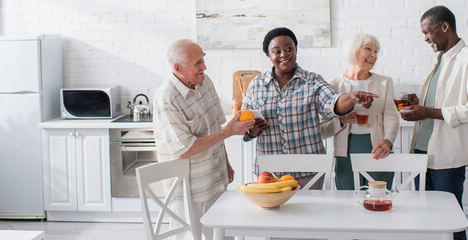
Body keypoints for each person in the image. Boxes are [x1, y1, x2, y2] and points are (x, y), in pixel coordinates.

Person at [241, 27, 378, 189]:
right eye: (276, 51)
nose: (284, 54)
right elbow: (244, 125)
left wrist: (350, 97)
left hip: (309, 171)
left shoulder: (312, 81)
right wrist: (254, 130)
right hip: (270, 173)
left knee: (312, 214)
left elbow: (333, 102)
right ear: (268, 55)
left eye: (288, 49)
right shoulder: (257, 84)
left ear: (296, 50)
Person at [152, 39, 255, 240]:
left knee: (221, 236)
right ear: (178, 67)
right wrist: (229, 131)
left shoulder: (205, 82)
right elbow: (185, 149)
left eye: (203, 60)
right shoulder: (167, 98)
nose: (204, 67)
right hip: (189, 190)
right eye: (197, 63)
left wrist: (226, 163)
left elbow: (215, 126)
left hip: (215, 179)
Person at [401, 6, 468, 240]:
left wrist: (428, 111)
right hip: (423, 152)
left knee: (450, 222)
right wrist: (420, 103)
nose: (425, 38)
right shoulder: (442, 59)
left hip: (446, 156)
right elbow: (443, 100)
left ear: (445, 27)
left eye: (427, 32)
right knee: (427, 221)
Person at [321, 33, 400, 190]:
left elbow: (391, 116)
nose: (373, 55)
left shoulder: (384, 82)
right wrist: (341, 120)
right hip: (346, 150)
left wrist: (388, 141)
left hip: (378, 147)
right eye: (368, 49)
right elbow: (322, 129)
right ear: (354, 50)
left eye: (376, 51)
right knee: (348, 202)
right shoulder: (333, 85)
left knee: (379, 200)